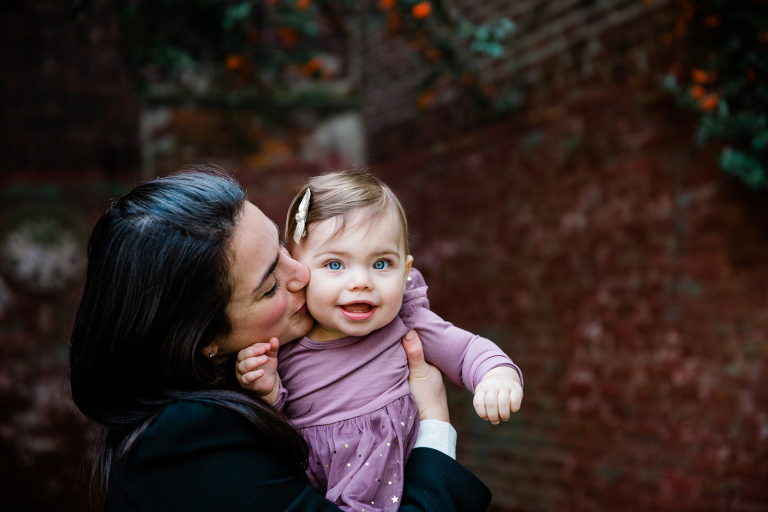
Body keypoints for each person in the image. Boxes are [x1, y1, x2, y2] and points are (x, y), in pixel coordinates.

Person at [68, 167, 493, 512]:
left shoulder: (252, 374)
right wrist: (435, 425)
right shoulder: (184, 445)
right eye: (270, 285)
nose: (303, 276)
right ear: (204, 339)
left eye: (285, 249)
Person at [236, 170, 524, 512]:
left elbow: (466, 351)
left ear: (406, 270)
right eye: (335, 264)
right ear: (299, 271)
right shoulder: (282, 342)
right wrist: (267, 390)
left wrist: (496, 376)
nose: (361, 281)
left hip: (407, 491)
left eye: (381, 263)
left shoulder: (406, 320)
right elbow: (273, 431)